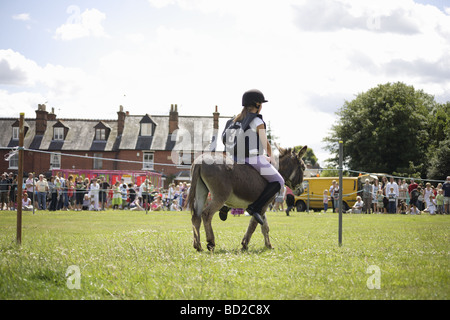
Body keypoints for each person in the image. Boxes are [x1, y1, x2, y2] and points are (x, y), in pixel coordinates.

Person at [222, 89, 284, 225]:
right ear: (256, 104)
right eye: (261, 103)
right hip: (252, 159)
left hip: (235, 158)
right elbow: (265, 143)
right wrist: (272, 157)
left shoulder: (234, 120)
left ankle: (226, 205)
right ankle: (255, 207)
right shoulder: (256, 121)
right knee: (279, 181)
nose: (261, 106)